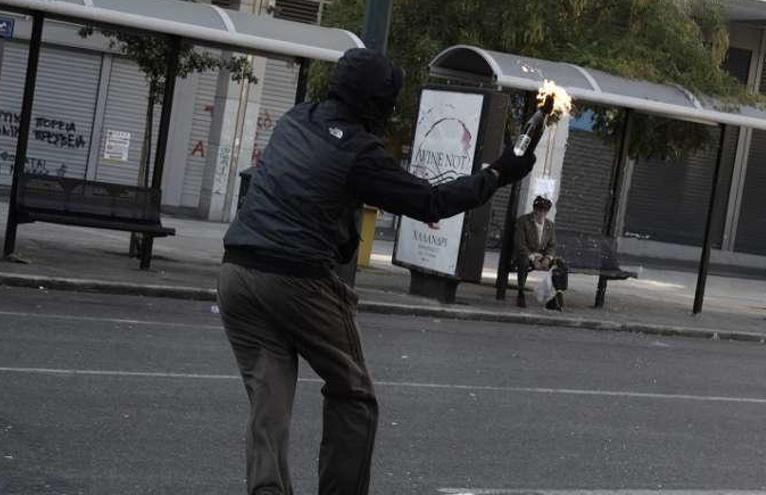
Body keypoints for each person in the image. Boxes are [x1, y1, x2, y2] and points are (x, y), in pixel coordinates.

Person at [217, 48, 550, 495]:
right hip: (297, 278)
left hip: (236, 272)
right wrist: (499, 171)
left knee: (269, 396)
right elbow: (430, 203)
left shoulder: (295, 119)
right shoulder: (358, 150)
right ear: (376, 104)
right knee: (353, 392)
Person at [515, 195, 560, 309]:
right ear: (534, 210)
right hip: (526, 254)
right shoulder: (523, 221)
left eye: (544, 211)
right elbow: (520, 244)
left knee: (560, 265)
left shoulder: (550, 225)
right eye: (539, 211)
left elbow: (552, 245)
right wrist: (532, 258)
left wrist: (548, 258)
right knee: (523, 262)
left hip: (542, 256)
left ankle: (556, 297)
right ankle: (521, 292)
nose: (541, 214)